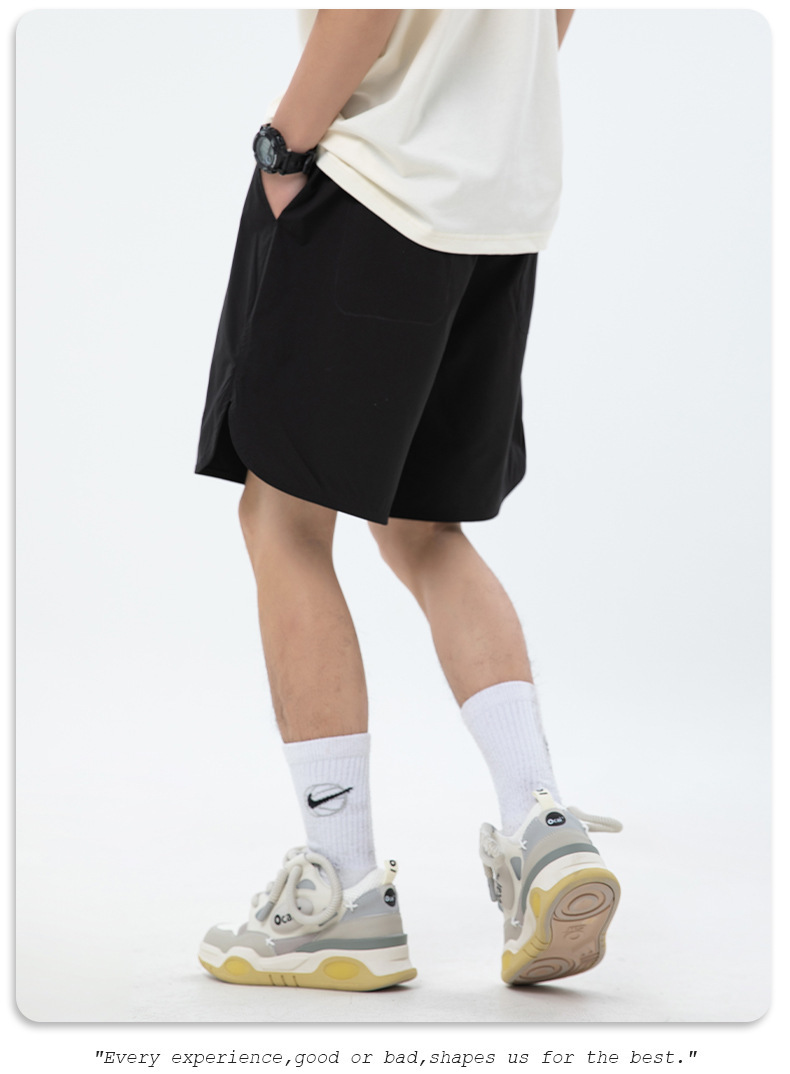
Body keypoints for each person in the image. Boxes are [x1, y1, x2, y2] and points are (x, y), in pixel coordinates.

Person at [194, 8, 621, 993]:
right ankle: (542, 827)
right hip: (497, 205)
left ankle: (342, 889)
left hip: (373, 186)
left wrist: (283, 148)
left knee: (284, 518)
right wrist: (479, 113)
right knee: (425, 529)